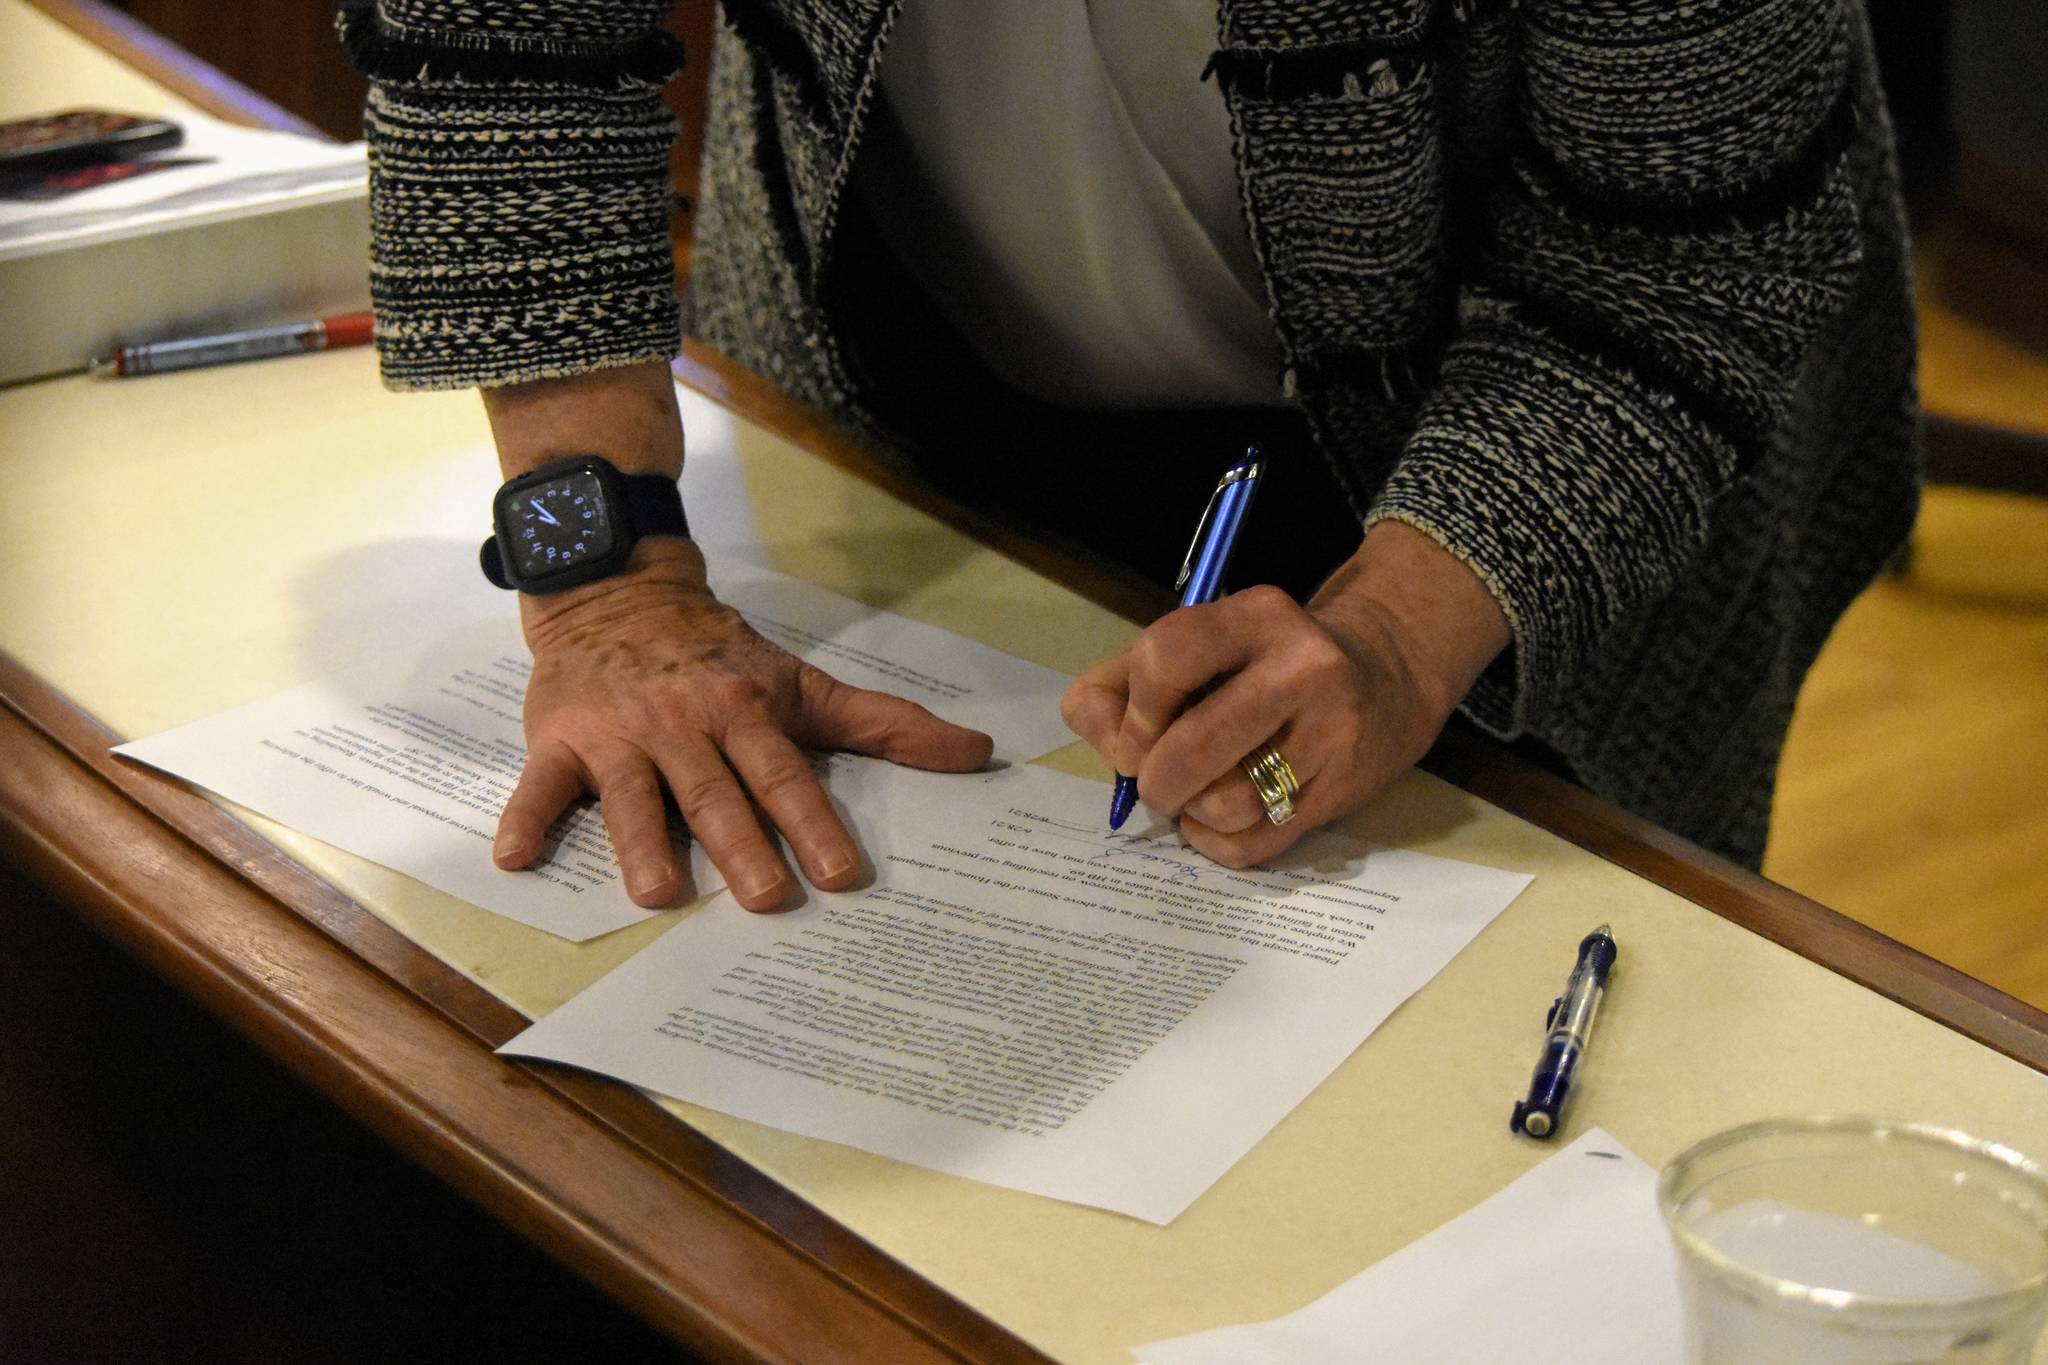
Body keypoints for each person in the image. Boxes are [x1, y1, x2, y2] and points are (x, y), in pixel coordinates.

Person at [337, 0, 1919, 911]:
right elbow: (501, 41)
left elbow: (1672, 261)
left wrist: (1391, 635)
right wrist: (603, 582)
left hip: (1541, 418)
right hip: (894, 344)